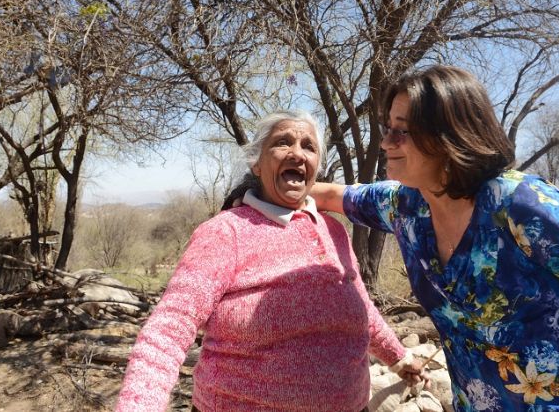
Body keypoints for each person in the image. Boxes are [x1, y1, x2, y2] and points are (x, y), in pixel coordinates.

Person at [311, 65, 559, 411]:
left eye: (402, 131)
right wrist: (258, 192)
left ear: (448, 135)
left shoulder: (522, 205)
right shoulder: (405, 207)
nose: (387, 142)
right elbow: (330, 196)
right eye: (387, 129)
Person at [116, 110, 425, 412]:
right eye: (282, 142)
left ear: (317, 166)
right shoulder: (226, 232)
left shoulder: (333, 231)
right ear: (257, 165)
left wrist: (399, 358)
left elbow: (361, 309)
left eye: (308, 146)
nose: (297, 153)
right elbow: (168, 330)